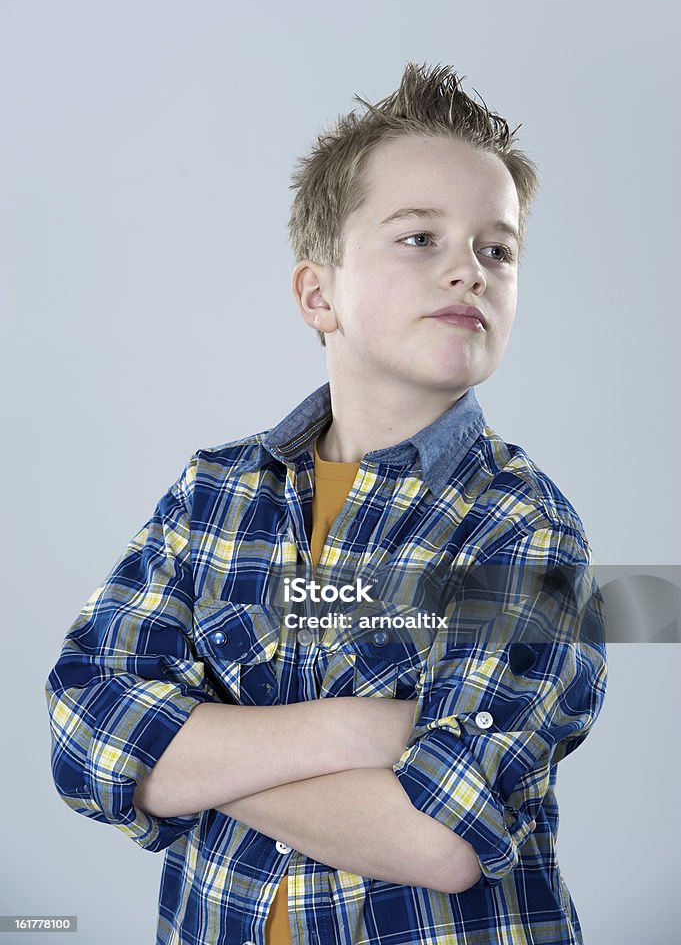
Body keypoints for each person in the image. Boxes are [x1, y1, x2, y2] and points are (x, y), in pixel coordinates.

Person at [45, 61, 607, 945]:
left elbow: (441, 835)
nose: (468, 270)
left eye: (495, 250)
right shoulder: (213, 494)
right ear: (318, 293)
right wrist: (352, 730)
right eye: (419, 238)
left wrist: (186, 755)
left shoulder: (519, 523)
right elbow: (82, 730)